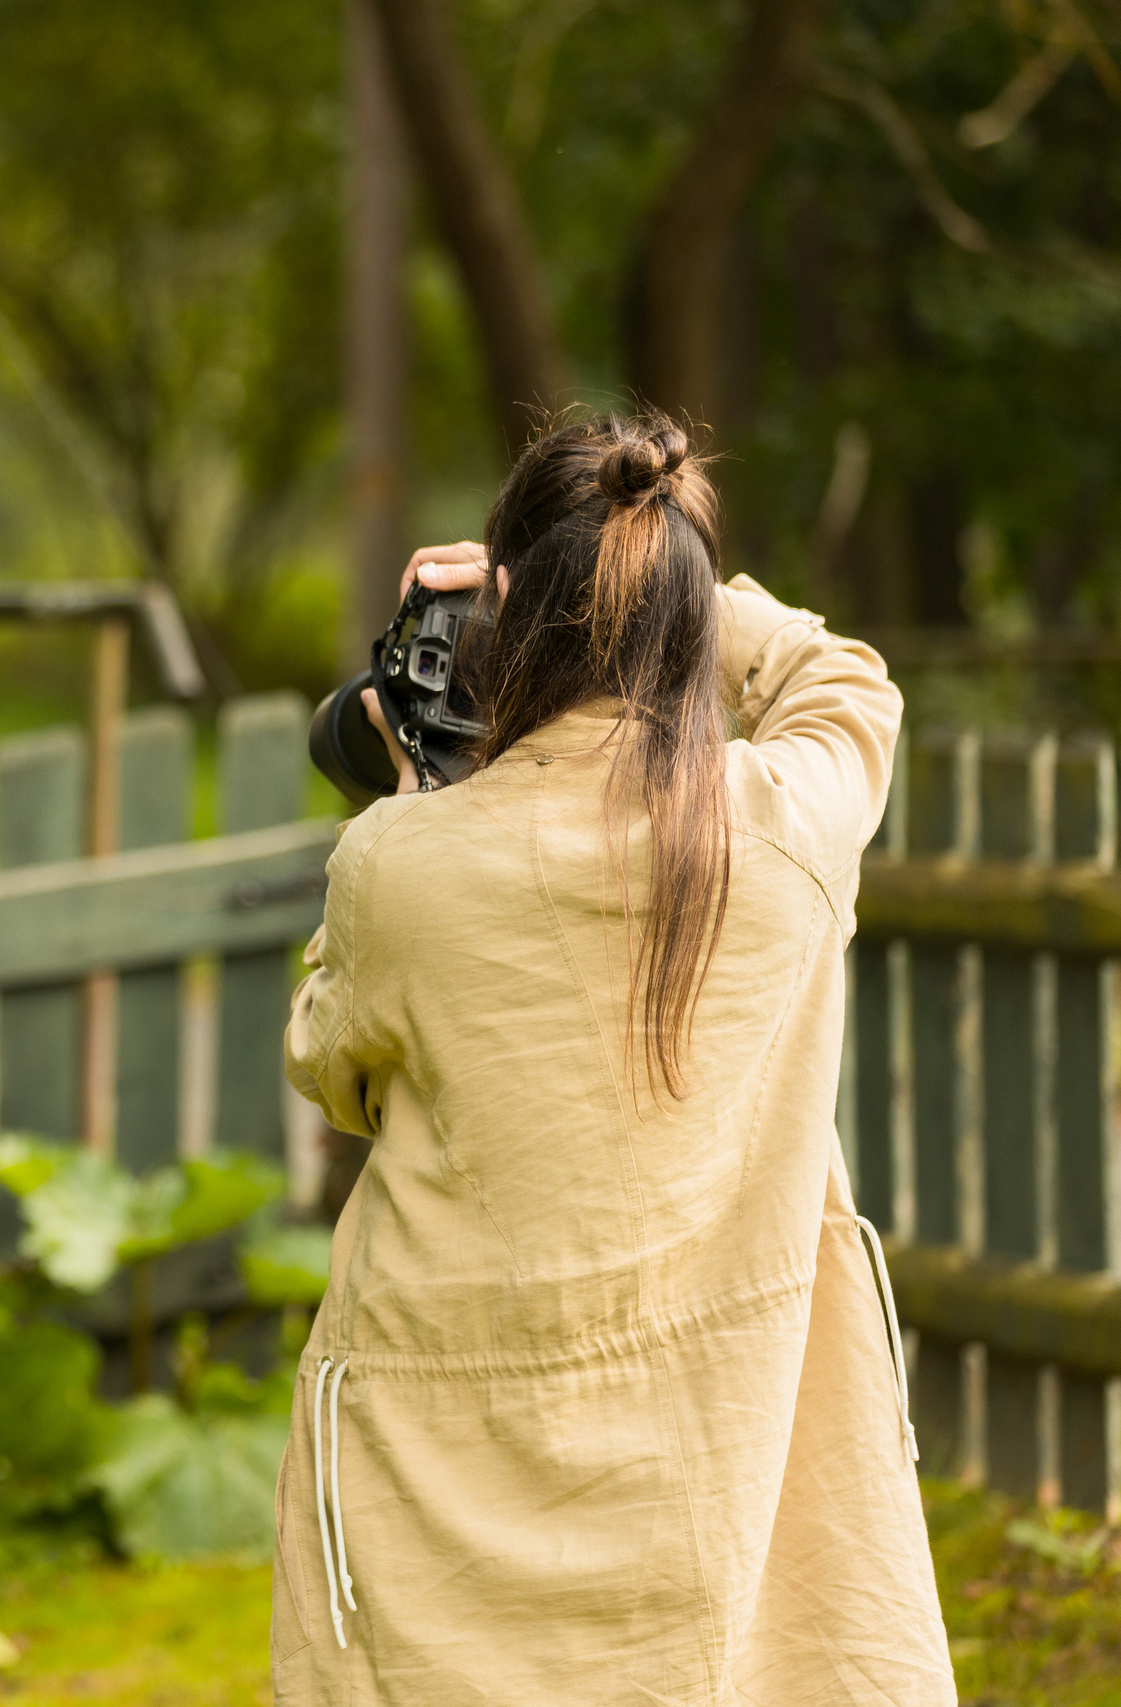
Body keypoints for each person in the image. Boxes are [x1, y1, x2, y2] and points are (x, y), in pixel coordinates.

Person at [275, 414, 951, 1702]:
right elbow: (846, 682)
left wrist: (423, 803)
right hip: (728, 1440)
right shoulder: (787, 823)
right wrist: (681, 589)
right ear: (683, 612)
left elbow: (334, 1066)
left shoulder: (402, 866)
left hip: (450, 1452)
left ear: (506, 606)